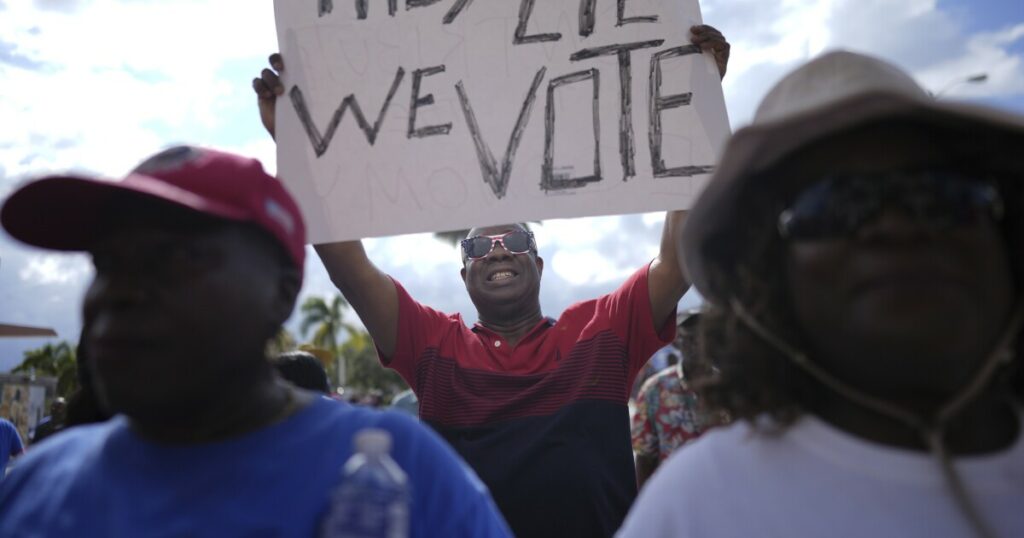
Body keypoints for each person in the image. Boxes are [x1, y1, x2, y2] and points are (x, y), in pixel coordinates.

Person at [253, 24, 731, 538]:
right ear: (465, 274)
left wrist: (694, 103)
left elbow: (678, 256)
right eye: (480, 245)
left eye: (516, 241)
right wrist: (296, 143)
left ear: (539, 264)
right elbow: (347, 263)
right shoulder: (432, 342)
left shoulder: (604, 329)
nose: (498, 249)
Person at [0, 145, 511, 537]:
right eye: (107, 264)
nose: (122, 293)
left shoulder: (403, 477)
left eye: (176, 258)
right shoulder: (35, 484)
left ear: (282, 293)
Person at [618, 51, 1024, 538]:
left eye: (937, 193)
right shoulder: (701, 503)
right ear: (766, 278)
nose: (894, 228)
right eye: (835, 205)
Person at [631, 309, 725, 488]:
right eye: (688, 337)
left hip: (722, 493)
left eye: (702, 336)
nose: (696, 344)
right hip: (673, 494)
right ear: (676, 343)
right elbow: (644, 458)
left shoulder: (729, 387)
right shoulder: (654, 390)